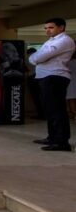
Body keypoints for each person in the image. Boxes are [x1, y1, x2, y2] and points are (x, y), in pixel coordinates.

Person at [29, 18, 75, 151]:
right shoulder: (51, 41)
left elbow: (39, 57)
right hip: (46, 77)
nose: (47, 30)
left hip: (55, 77)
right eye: (46, 28)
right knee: (49, 110)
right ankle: (52, 137)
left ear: (61, 28)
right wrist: (36, 58)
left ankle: (61, 142)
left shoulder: (64, 40)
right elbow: (35, 57)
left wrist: (36, 58)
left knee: (57, 111)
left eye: (51, 27)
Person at [26, 48, 45, 119]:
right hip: (40, 77)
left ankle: (41, 114)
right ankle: (44, 114)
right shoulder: (39, 58)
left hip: (32, 78)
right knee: (41, 96)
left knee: (36, 97)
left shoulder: (28, 58)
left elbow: (25, 68)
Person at [67, 50, 76, 121]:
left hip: (70, 81)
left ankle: (74, 114)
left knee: (71, 99)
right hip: (72, 81)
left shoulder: (67, 62)